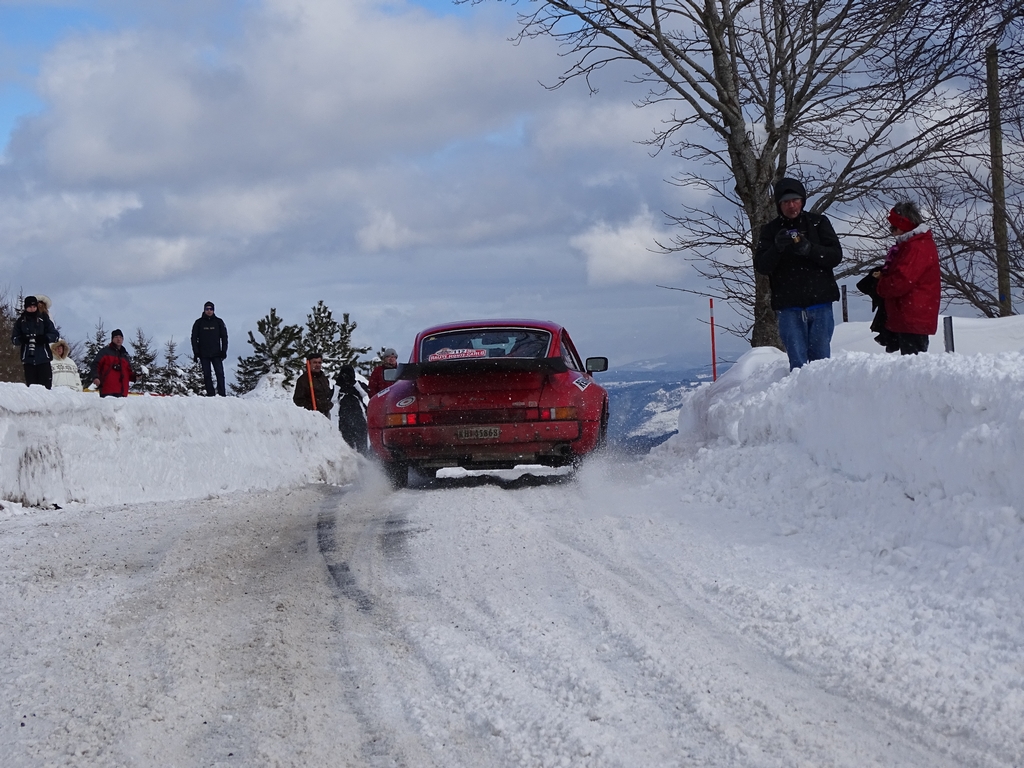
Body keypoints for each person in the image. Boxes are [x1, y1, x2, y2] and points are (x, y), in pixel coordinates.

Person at [754, 177, 843, 370]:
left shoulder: (818, 223)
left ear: (802, 201)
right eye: (786, 202)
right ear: (779, 205)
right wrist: (776, 248)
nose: (791, 206)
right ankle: (800, 390)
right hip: (789, 307)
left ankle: (820, 389)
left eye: (795, 200)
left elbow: (835, 256)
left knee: (821, 364)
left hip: (820, 303)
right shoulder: (770, 231)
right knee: (797, 365)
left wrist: (810, 249)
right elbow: (761, 266)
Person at [873, 201, 941, 355]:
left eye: (894, 228)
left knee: (912, 360)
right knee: (910, 359)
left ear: (904, 226)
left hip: (912, 316)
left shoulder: (915, 247)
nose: (892, 232)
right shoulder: (914, 245)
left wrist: (882, 285)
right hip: (911, 314)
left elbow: (901, 281)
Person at [11, 295, 59, 388]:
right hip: (28, 359)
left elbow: (55, 335)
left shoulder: (44, 319)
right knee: (32, 389)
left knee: (46, 388)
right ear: (26, 307)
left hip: (43, 359)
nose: (32, 309)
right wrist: (23, 339)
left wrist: (45, 338)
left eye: (34, 306)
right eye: (30, 307)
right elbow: (14, 339)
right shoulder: (20, 321)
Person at [191, 301, 229, 396]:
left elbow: (224, 337)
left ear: (213, 310)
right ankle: (210, 393)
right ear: (204, 310)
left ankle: (222, 394)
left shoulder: (218, 322)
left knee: (220, 374)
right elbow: (194, 338)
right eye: (207, 309)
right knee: (207, 375)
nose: (209, 311)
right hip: (203, 354)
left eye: (211, 309)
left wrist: (224, 351)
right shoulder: (199, 323)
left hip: (217, 353)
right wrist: (196, 352)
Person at [91, 329, 136, 397]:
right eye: (116, 337)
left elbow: (128, 373)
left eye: (120, 337)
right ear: (112, 339)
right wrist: (95, 377)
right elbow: (95, 365)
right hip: (107, 391)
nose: (118, 339)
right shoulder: (105, 352)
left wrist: (136, 376)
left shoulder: (125, 355)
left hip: (122, 393)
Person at [334, 365, 368, 453]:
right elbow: (333, 399)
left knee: (362, 444)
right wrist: (338, 386)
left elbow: (364, 394)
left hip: (359, 417)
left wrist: (354, 383)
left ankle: (364, 459)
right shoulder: (338, 386)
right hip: (344, 419)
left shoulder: (358, 385)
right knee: (347, 445)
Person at [293, 351, 334, 418]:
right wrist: (312, 408)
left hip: (325, 414)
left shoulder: (323, 378)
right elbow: (298, 400)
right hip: (312, 416)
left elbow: (326, 394)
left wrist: (329, 403)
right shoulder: (303, 380)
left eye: (319, 362)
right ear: (309, 364)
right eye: (315, 362)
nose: (317, 365)